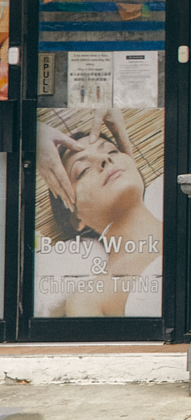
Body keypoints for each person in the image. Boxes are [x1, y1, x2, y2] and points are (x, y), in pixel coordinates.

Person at [36, 106, 164, 318]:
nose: (106, 160)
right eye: (83, 170)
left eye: (112, 151)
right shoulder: (89, 298)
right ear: (76, 217)